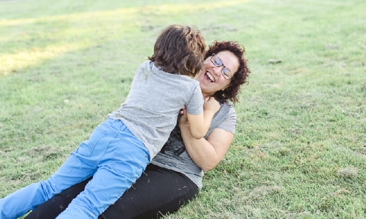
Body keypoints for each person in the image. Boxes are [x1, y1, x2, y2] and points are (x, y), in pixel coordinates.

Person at [0, 25, 218, 219]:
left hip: (108, 131)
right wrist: (208, 111)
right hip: (133, 150)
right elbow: (198, 131)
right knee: (88, 207)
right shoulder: (190, 89)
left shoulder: (144, 68)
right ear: (195, 60)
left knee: (49, 187)